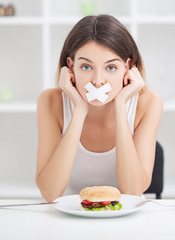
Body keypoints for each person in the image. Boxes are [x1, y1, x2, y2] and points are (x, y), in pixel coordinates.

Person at [36, 15, 163, 202]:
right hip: (70, 217)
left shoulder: (148, 103)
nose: (97, 81)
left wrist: (120, 106)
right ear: (70, 67)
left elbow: (133, 191)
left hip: (125, 219)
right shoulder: (50, 102)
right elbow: (50, 193)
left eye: (110, 68)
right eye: (86, 67)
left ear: (128, 67)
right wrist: (79, 110)